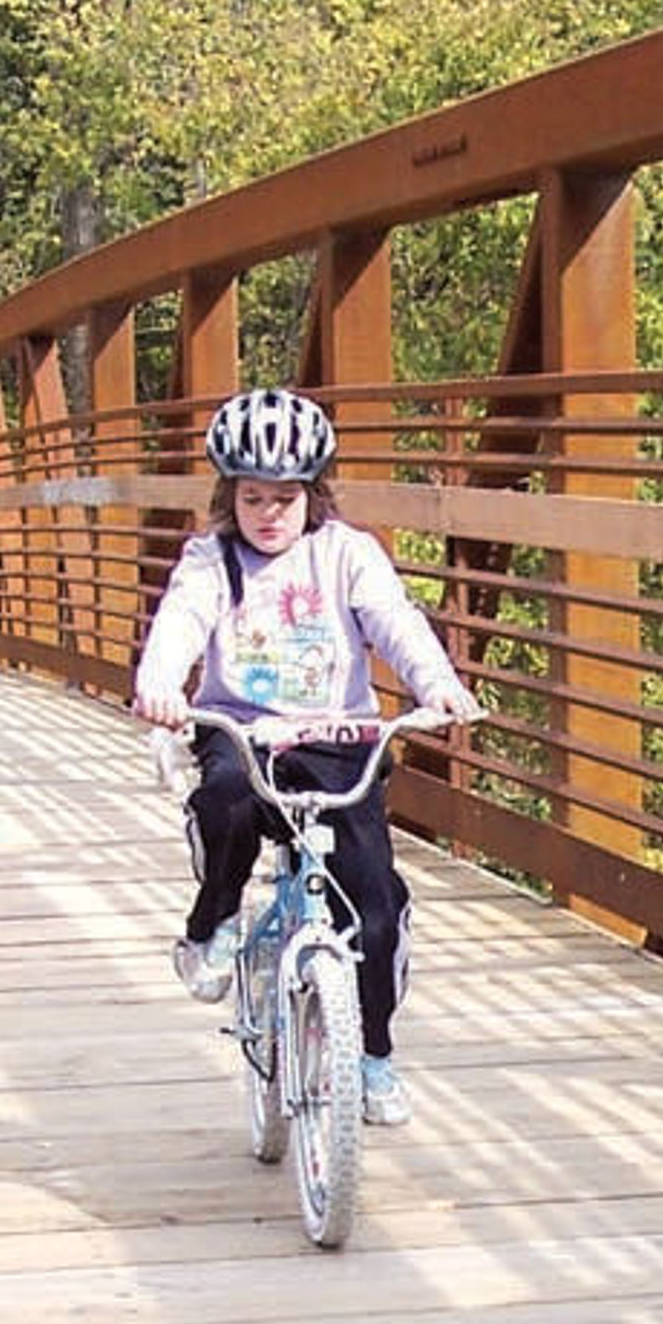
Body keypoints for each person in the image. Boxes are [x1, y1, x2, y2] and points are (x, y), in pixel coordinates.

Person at [129, 387, 484, 1128]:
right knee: (223, 799)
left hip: (336, 740)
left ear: (313, 495)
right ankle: (216, 922)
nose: (268, 513)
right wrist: (159, 683)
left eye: (285, 498)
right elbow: (180, 623)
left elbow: (395, 622)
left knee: (376, 902)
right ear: (230, 497)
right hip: (242, 731)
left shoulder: (348, 554)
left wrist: (438, 684)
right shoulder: (211, 560)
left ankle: (374, 1056)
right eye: (252, 497)